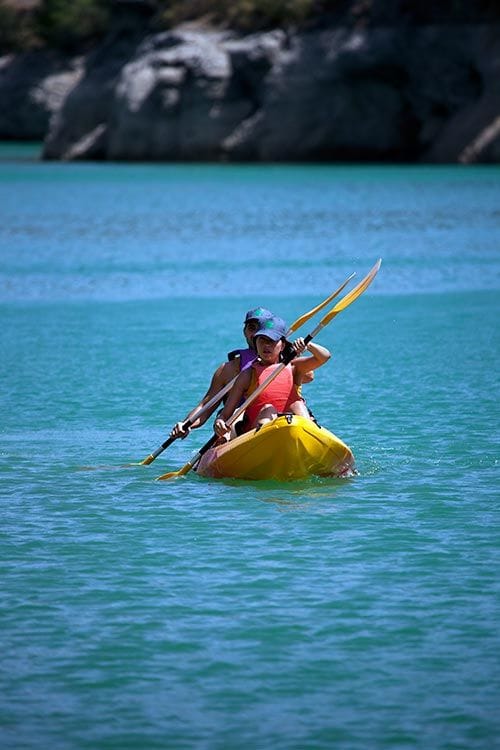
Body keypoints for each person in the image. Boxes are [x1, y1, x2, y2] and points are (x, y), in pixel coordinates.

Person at [214, 316, 331, 439]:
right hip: (256, 431)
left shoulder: (293, 367)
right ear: (255, 343)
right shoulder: (247, 375)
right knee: (268, 409)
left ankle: (308, 436)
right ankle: (267, 441)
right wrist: (219, 422)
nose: (266, 345)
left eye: (272, 341)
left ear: (283, 345)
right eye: (262, 340)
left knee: (297, 405)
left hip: (295, 427)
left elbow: (324, 356)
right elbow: (225, 414)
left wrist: (308, 345)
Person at [170, 307, 274, 439]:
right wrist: (186, 425)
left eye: (261, 328)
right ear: (245, 332)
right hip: (238, 427)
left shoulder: (286, 360)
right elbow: (205, 406)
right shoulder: (228, 369)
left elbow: (308, 376)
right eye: (252, 328)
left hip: (273, 418)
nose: (255, 334)